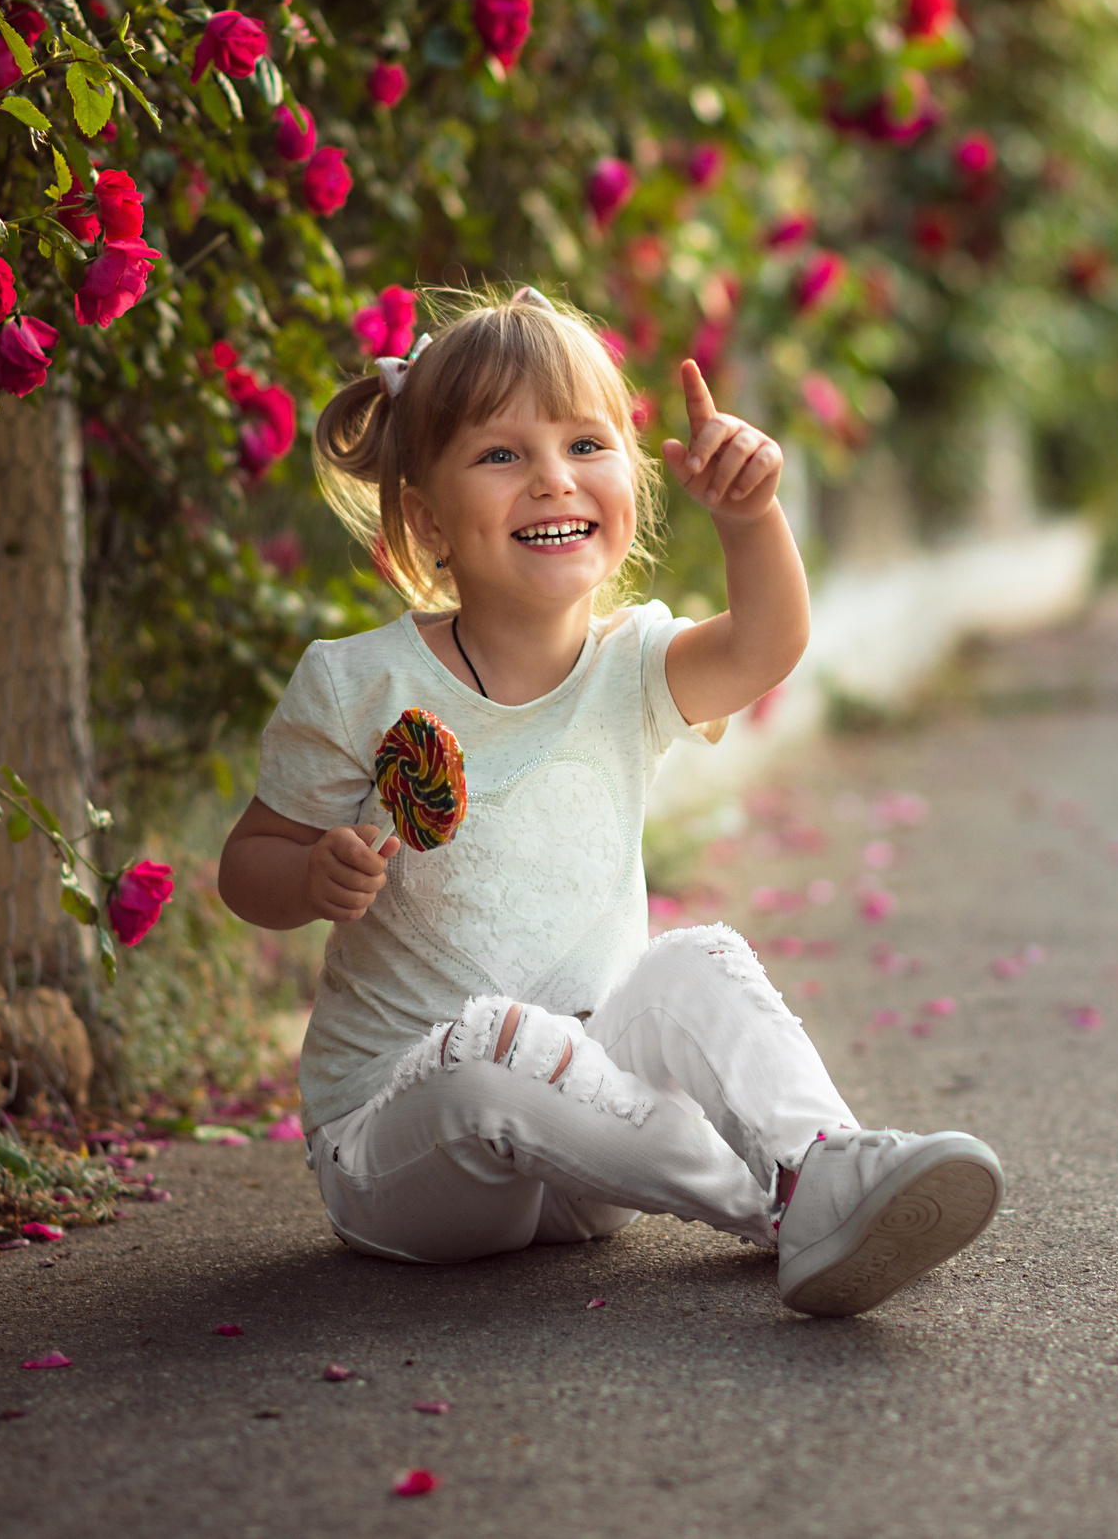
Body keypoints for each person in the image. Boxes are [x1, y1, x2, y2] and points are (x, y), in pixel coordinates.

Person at [217, 287, 1002, 1317]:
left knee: (694, 960)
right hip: (407, 1148)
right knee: (493, 1046)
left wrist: (752, 516)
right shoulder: (360, 686)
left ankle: (818, 1155)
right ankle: (792, 1204)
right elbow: (247, 866)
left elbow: (766, 646)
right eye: (500, 455)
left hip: (596, 1157)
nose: (551, 477)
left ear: (626, 481)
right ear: (427, 519)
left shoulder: (629, 664)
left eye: (585, 443)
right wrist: (312, 872)